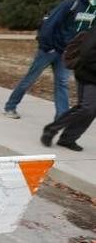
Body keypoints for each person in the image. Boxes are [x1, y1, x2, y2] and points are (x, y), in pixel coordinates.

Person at [5, 0, 96, 120]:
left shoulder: (93, 8)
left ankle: (61, 118)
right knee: (30, 79)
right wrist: (48, 46)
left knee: (62, 83)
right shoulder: (72, 2)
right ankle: (10, 106)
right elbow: (50, 24)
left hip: (67, 54)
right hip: (50, 50)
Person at [42, 19, 96, 151]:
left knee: (91, 111)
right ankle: (51, 129)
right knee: (87, 108)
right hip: (88, 75)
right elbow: (87, 54)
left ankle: (68, 139)